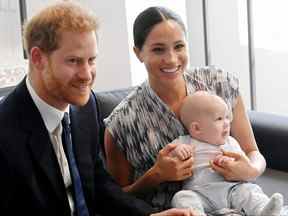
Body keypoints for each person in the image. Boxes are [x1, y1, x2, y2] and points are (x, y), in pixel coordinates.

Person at [0, 2, 194, 216]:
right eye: (74, 61)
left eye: (91, 60)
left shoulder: (84, 109)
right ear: (38, 59)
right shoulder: (6, 131)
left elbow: (100, 187)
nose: (87, 75)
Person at [104, 6, 266, 212]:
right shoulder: (122, 123)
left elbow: (253, 152)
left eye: (179, 46)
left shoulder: (220, 83)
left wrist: (250, 170)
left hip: (238, 201)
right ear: (138, 53)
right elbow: (115, 200)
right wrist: (156, 175)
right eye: (158, 49)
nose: (171, 59)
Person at [169, 91, 284, 216]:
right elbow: (169, 155)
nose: (227, 123)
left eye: (227, 117)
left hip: (232, 190)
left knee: (250, 191)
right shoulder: (186, 142)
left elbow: (243, 163)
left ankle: (263, 211)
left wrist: (232, 164)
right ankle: (197, 214)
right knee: (181, 197)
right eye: (219, 118)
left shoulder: (231, 142)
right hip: (200, 193)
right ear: (196, 128)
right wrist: (178, 151)